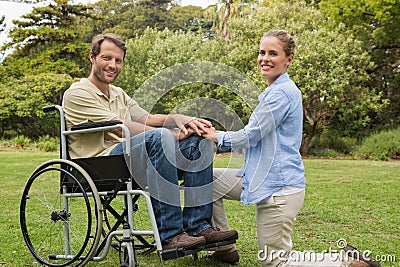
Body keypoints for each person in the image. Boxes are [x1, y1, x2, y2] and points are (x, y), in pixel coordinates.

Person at [203, 30, 379, 267]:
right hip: (259, 177)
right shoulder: (274, 91)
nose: (264, 58)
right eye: (262, 52)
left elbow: (252, 135)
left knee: (275, 262)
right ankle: (224, 249)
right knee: (208, 182)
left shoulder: (282, 94)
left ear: (289, 59)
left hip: (279, 187)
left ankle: (348, 262)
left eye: (273, 53)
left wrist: (215, 135)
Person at [62, 33, 238, 251]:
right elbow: (119, 127)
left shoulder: (119, 93)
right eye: (107, 58)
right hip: (98, 163)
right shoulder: (77, 93)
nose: (113, 65)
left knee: (198, 142)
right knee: (160, 137)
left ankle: (197, 225)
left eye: (118, 60)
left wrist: (180, 119)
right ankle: (171, 235)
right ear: (92, 57)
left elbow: (148, 119)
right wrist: (172, 135)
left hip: (128, 157)